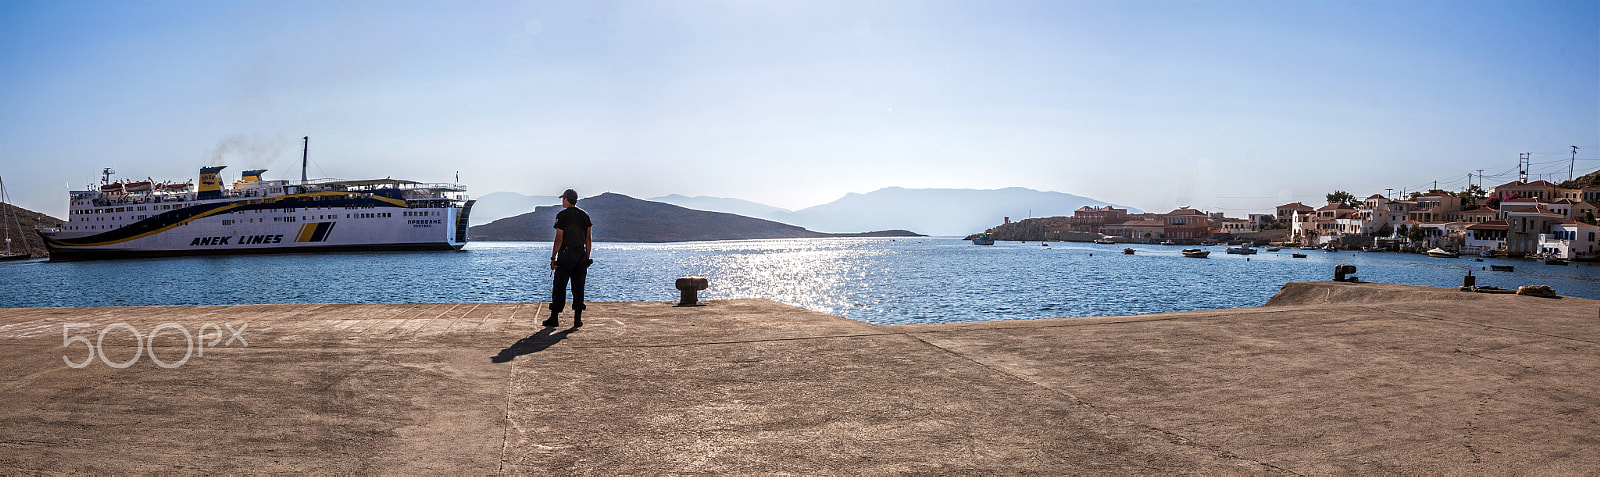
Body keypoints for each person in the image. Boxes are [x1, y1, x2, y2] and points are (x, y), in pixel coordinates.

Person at [545, 189, 592, 328]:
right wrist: (587, 258)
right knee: (578, 287)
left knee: (559, 286)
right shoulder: (585, 216)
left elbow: (559, 238)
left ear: (566, 199)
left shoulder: (562, 215)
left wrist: (553, 258)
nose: (562, 201)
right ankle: (577, 319)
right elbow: (588, 239)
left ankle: (554, 318)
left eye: (563, 199)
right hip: (580, 256)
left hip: (566, 255)